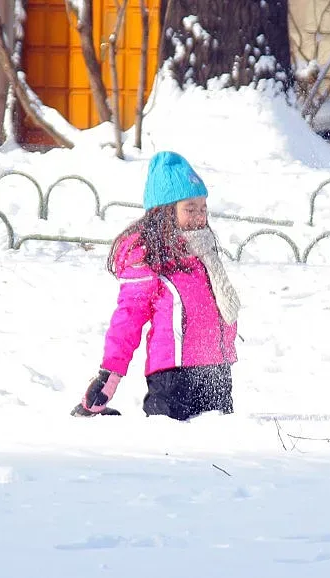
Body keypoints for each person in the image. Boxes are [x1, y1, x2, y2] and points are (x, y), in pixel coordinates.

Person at [71, 151, 240, 421]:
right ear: (165, 211)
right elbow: (128, 318)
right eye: (190, 208)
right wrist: (110, 376)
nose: (199, 216)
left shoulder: (203, 253)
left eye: (203, 208)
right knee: (171, 451)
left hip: (216, 370)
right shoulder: (148, 256)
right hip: (173, 376)